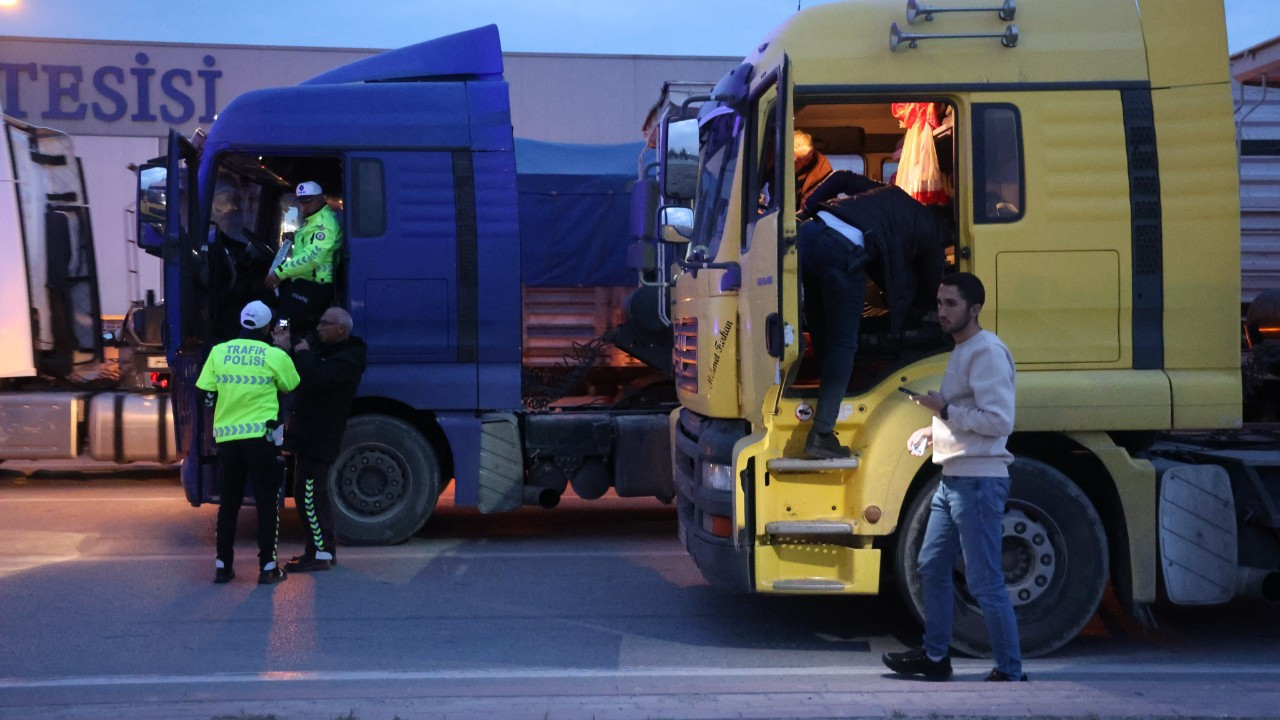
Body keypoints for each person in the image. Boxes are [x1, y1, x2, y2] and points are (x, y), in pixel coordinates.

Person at [882, 272, 1025, 682]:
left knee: (984, 581)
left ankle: (1010, 670)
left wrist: (943, 412)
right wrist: (933, 431)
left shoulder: (986, 352)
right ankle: (935, 657)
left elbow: (999, 421)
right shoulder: (965, 349)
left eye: (951, 304)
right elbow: (968, 414)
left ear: (974, 309)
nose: (941, 312)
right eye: (940, 303)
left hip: (978, 481)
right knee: (930, 565)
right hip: (955, 478)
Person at [798, 170, 949, 459]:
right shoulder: (931, 230)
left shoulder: (893, 194)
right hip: (843, 251)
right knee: (845, 343)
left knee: (821, 328)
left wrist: (805, 210)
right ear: (947, 229)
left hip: (809, 233)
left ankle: (824, 391)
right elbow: (931, 288)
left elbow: (840, 178)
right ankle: (821, 435)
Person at [196, 300, 300, 584]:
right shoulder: (273, 355)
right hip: (262, 441)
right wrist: (282, 350)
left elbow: (204, 394)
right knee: (267, 504)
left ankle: (222, 566)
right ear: (267, 327)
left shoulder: (218, 352)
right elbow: (291, 385)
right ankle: (267, 568)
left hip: (228, 442)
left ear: (242, 323)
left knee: (229, 504)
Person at [273, 307, 367, 572]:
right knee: (309, 494)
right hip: (308, 434)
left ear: (340, 329)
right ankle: (319, 551)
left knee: (310, 495)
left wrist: (302, 352)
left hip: (320, 436)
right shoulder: (328, 353)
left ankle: (321, 553)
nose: (318, 329)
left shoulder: (348, 359)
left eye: (324, 324)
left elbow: (314, 380)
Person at [266, 181, 342, 335]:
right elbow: (310, 242)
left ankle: (281, 340)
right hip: (305, 282)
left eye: (308, 202)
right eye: (301, 202)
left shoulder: (323, 224)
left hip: (318, 286)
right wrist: (295, 238)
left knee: (286, 310)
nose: (303, 207)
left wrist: (280, 273)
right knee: (280, 297)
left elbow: (312, 257)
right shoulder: (313, 220)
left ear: (322, 199)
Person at [794, 130, 833, 209]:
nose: (789, 164)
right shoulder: (779, 162)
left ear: (807, 160)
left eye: (794, 162)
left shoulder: (823, 173)